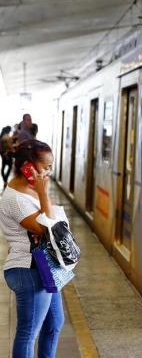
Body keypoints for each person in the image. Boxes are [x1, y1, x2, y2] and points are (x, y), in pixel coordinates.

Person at [0, 140, 64, 358]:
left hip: (44, 266)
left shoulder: (30, 190)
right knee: (28, 333)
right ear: (28, 166)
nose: (49, 172)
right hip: (28, 269)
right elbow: (48, 229)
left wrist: (40, 192)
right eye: (45, 167)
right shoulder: (15, 199)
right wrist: (43, 191)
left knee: (54, 323)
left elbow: (50, 217)